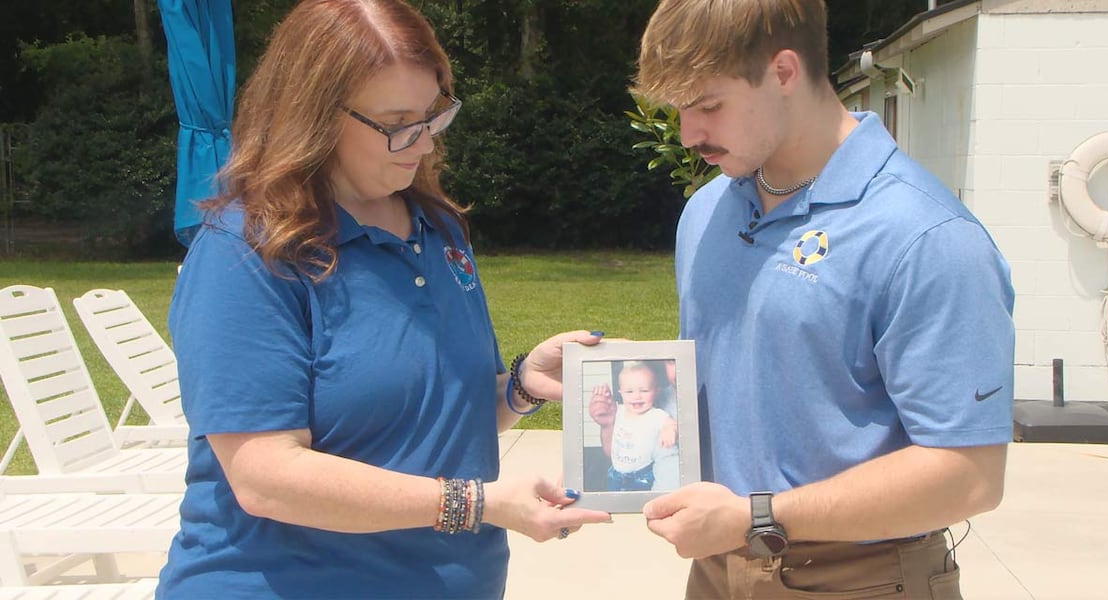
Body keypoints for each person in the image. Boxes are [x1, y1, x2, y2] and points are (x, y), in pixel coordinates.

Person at [156, 1, 610, 598]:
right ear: (313, 116)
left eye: (432, 115)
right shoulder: (245, 251)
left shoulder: (436, 228)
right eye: (398, 122)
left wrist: (520, 386)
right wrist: (475, 504)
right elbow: (265, 477)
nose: (422, 142)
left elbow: (439, 417)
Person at [594, 1, 1016, 598]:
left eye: (708, 106)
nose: (689, 134)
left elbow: (969, 477)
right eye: (678, 110)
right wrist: (623, 375)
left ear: (784, 72)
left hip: (859, 578)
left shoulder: (926, 237)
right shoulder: (707, 211)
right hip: (716, 567)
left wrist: (757, 517)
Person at [595, 361, 678, 491]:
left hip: (641, 475)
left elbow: (670, 423)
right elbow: (608, 428)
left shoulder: (655, 415)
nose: (637, 396)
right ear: (620, 392)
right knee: (615, 499)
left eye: (644, 391)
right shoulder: (618, 411)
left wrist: (669, 430)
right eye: (629, 391)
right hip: (616, 473)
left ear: (656, 391)